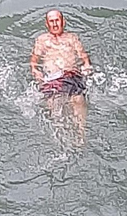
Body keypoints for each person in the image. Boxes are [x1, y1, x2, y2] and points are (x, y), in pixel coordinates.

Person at [30, 9, 93, 138]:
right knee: (55, 105)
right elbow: (34, 61)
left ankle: (81, 133)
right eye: (51, 21)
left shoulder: (72, 38)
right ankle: (61, 136)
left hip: (71, 75)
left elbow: (83, 56)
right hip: (54, 78)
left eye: (57, 20)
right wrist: (35, 71)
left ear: (63, 22)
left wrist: (86, 65)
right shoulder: (42, 40)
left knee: (78, 100)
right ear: (47, 24)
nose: (55, 24)